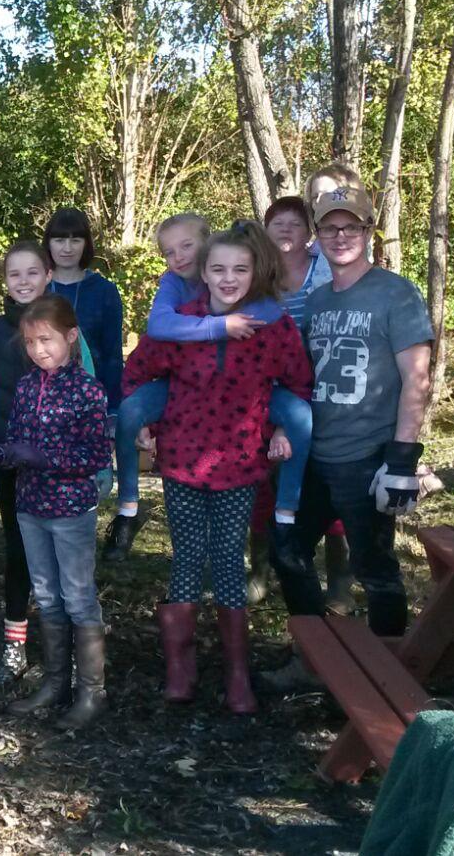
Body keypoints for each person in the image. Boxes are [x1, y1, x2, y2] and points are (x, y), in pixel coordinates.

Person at [122, 221, 314, 715]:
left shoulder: (273, 327)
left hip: (240, 462)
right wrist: (145, 425)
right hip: (183, 458)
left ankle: (236, 672)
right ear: (203, 274)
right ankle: (180, 667)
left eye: (240, 270)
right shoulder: (182, 323)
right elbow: (137, 372)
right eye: (219, 269)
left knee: (229, 560)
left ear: (255, 272)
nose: (229, 279)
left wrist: (282, 428)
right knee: (187, 558)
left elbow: (298, 381)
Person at [267, 185, 432, 682]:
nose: (340, 236)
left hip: (367, 456)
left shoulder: (396, 293)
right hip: (313, 454)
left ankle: (389, 677)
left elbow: (417, 379)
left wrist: (401, 459)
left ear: (368, 231)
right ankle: (317, 657)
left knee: (375, 569)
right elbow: (298, 376)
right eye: (330, 227)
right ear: (317, 235)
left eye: (351, 227)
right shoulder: (316, 300)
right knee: (287, 551)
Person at [101, 214, 288, 561]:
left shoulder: (228, 272)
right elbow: (158, 325)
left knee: (295, 419)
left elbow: (269, 312)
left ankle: (283, 520)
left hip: (239, 388)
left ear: (208, 240)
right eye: (169, 252)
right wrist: (219, 326)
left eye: (186, 246)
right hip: (180, 383)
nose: (179, 257)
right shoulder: (173, 283)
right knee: (130, 411)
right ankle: (128, 508)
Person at [0, 240, 98, 690]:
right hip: (13, 464)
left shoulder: (66, 328)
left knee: (68, 564)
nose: (22, 282)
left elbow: (91, 392)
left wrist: (100, 466)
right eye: (13, 274)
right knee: (19, 553)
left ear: (48, 276)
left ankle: (78, 659)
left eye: (32, 273)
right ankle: (15, 645)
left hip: (66, 469)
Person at [0, 296, 111, 730]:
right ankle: (55, 683)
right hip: (30, 506)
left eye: (47, 340)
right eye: (31, 342)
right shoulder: (25, 386)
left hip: (70, 509)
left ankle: (91, 691)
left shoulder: (88, 391)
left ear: (71, 337)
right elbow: (18, 438)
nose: (38, 350)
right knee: (48, 595)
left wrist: (43, 458)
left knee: (77, 596)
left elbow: (95, 455)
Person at [257, 196, 352, 610]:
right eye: (277, 222)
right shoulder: (257, 273)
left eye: (295, 223)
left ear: (309, 231)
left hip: (325, 387)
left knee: (325, 478)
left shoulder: (327, 270)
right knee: (266, 478)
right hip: (269, 390)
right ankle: (263, 568)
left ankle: (339, 582)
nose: (286, 229)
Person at [44, 207, 124, 411]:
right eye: (59, 240)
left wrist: (112, 410)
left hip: (92, 401)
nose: (67, 248)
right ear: (49, 243)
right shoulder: (37, 289)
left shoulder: (105, 291)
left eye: (75, 240)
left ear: (86, 243)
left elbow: (112, 355)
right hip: (42, 399)